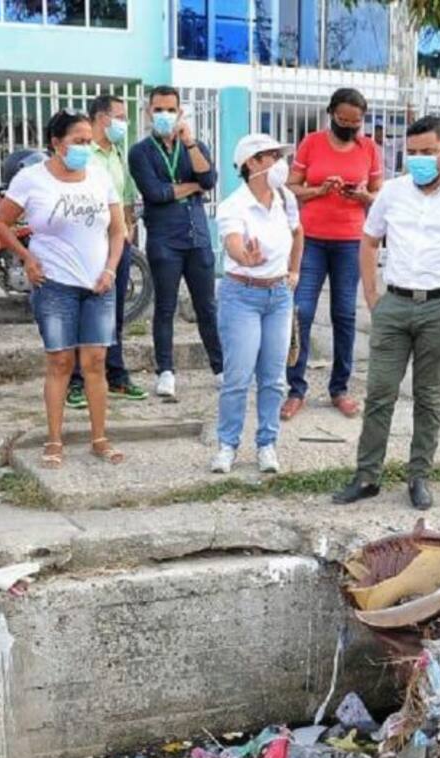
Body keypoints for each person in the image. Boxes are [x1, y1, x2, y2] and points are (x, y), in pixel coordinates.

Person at [333, 115, 440, 510]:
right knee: (379, 394)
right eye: (411, 153)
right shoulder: (392, 193)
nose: (418, 160)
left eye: (427, 152)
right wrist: (372, 295)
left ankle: (419, 477)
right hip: (393, 305)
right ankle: (366, 476)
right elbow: (368, 241)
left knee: (428, 399)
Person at [0, 110, 126, 468]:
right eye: (78, 141)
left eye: (88, 141)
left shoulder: (99, 177)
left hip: (99, 284)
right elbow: (0, 223)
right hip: (54, 285)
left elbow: (118, 229)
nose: (85, 147)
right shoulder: (30, 179)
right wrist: (26, 258)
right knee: (60, 361)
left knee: (96, 362)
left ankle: (100, 438)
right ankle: (54, 441)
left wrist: (111, 269)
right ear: (56, 143)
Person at [284, 88, 383, 421]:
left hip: (350, 241)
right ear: (331, 114)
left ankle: (339, 388)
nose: (350, 127)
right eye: (343, 120)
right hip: (310, 240)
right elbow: (291, 187)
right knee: (302, 311)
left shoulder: (370, 148)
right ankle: (295, 389)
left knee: (344, 314)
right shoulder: (311, 143)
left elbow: (379, 197)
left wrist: (362, 195)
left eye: (356, 122)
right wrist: (318, 190)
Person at [210, 135, 303, 475]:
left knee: (274, 377)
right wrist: (245, 258)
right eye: (270, 156)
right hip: (242, 295)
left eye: (280, 156)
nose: (280, 163)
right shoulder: (233, 205)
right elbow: (233, 243)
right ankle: (227, 445)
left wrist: (293, 270)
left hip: (278, 295)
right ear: (251, 163)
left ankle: (267, 444)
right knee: (237, 376)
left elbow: (298, 233)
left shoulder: (285, 197)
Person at [128, 86, 223, 399]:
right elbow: (155, 193)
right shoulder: (140, 151)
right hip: (164, 239)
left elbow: (209, 180)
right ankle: (166, 371)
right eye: (158, 110)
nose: (164, 115)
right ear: (148, 112)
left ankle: (220, 368)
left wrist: (191, 144)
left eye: (170, 109)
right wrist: (191, 186)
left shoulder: (194, 146)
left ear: (180, 112)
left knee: (206, 307)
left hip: (197, 237)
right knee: (165, 307)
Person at [65, 94, 147, 409]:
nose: (124, 123)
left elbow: (125, 195)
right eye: (120, 116)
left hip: (117, 243)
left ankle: (115, 374)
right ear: (101, 117)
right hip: (87, 244)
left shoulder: (116, 154)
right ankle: (76, 380)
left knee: (114, 313)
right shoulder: (85, 155)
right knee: (81, 312)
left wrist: (127, 228)